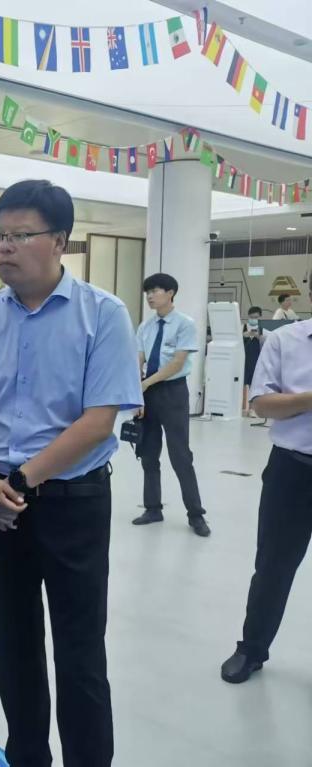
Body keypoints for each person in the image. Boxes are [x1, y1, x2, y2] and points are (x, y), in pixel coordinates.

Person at [0, 179, 142, 767]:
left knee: (79, 653)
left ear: (59, 240)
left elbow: (99, 421)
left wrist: (16, 483)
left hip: (70, 501)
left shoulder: (103, 314)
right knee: (13, 640)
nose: (4, 247)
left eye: (19, 235)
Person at [221, 280, 312, 683]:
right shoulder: (285, 341)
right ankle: (252, 648)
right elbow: (261, 404)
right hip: (292, 470)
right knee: (273, 565)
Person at [133, 273, 211, 537]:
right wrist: (137, 392)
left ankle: (196, 514)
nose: (150, 296)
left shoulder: (184, 324)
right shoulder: (145, 327)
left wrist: (145, 383)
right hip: (147, 394)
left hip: (173, 393)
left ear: (170, 293)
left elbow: (177, 363)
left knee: (180, 455)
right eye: (147, 292)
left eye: (155, 291)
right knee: (148, 453)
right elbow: (139, 360)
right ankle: (152, 508)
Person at [242, 306, 263, 417]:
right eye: (251, 317)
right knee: (241, 383)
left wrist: (258, 336)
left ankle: (251, 409)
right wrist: (243, 335)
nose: (253, 319)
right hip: (243, 358)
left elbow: (266, 342)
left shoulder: (262, 328)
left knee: (253, 384)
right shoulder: (243, 327)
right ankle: (241, 408)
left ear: (260, 317)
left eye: (256, 317)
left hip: (256, 358)